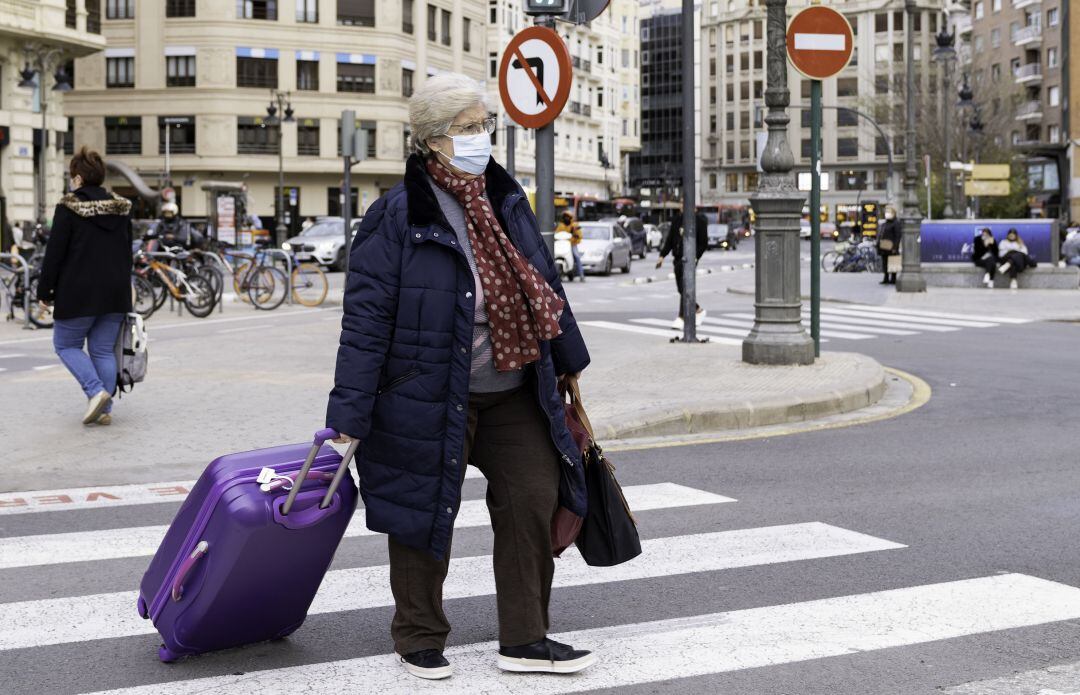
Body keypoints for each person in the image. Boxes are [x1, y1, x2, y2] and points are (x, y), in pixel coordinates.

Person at [325, 72, 594, 681]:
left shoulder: (505, 199)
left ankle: (526, 639)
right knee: (423, 510)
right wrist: (348, 417)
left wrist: (568, 364)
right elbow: (364, 322)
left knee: (533, 498)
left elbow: (542, 283)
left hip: (515, 386)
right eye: (468, 128)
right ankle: (419, 636)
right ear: (431, 140)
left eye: (484, 125)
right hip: (424, 388)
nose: (481, 138)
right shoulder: (395, 216)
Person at [37, 147, 132, 426]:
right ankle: (104, 410)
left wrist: (45, 291)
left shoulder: (68, 207)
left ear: (77, 178)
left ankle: (96, 392)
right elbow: (127, 252)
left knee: (66, 345)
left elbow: (55, 253)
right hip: (115, 292)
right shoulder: (122, 208)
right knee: (102, 350)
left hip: (77, 292)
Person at [657, 210, 708, 329]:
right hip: (677, 258)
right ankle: (697, 309)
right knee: (681, 289)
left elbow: (703, 243)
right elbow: (670, 239)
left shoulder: (699, 221)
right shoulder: (677, 220)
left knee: (684, 285)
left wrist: (696, 257)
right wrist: (662, 255)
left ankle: (681, 317)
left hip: (690, 259)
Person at [556, 210, 584, 282]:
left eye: (568, 217)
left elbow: (579, 234)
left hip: (572, 244)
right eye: (565, 217)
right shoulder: (561, 225)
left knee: (577, 256)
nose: (566, 218)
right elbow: (557, 234)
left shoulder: (574, 225)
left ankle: (581, 275)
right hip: (563, 244)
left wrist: (575, 234)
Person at [877, 207, 901, 285]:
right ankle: (886, 278)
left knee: (893, 262)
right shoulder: (884, 224)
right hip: (884, 246)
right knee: (885, 262)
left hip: (892, 246)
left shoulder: (896, 223)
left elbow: (898, 236)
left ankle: (893, 279)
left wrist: (895, 247)